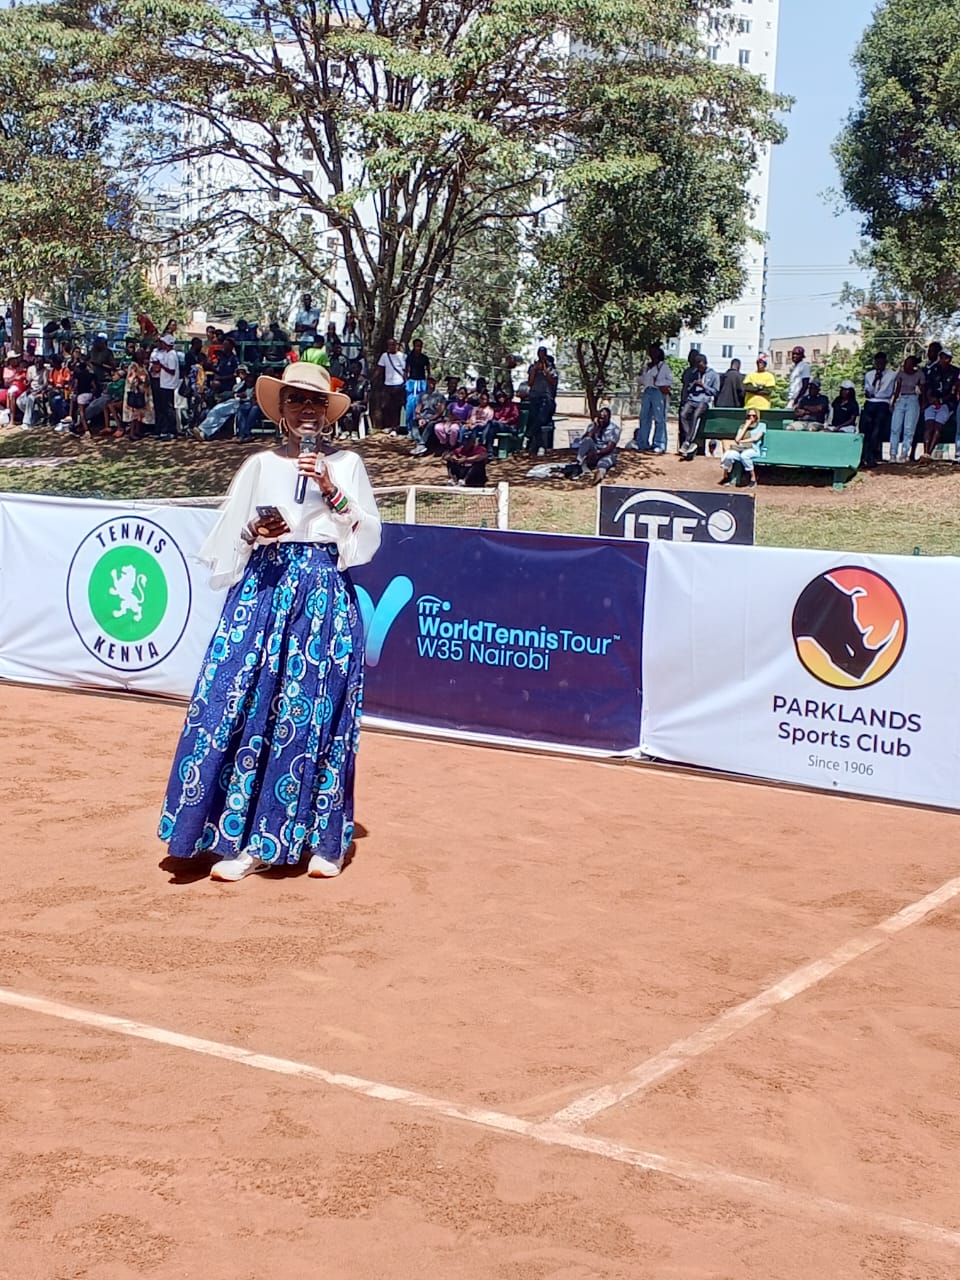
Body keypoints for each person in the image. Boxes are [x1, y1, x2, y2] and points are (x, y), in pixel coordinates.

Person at [158, 361, 381, 883]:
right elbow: (227, 541)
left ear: (328, 412)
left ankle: (324, 839)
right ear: (280, 410)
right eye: (296, 400)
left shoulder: (347, 463)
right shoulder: (258, 465)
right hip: (262, 590)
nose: (307, 410)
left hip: (321, 594)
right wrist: (256, 531)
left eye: (316, 402)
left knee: (311, 713)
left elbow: (366, 538)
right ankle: (243, 838)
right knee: (242, 705)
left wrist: (330, 487)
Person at [632, 344, 673, 452]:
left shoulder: (664, 367)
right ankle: (643, 443)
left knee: (659, 418)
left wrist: (658, 382)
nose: (652, 354)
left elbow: (670, 380)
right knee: (644, 417)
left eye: (655, 352)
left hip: (658, 392)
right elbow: (642, 381)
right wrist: (640, 376)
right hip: (647, 391)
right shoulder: (647, 367)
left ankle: (659, 444)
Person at [678, 355, 719, 458]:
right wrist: (693, 385)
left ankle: (687, 441)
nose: (699, 369)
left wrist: (703, 386)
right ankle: (690, 438)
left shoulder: (713, 374)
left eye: (701, 366)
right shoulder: (694, 373)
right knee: (683, 414)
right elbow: (688, 388)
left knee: (695, 415)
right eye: (698, 367)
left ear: (705, 363)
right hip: (692, 399)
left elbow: (715, 391)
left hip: (704, 400)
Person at [860, 351, 896, 468]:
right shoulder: (869, 375)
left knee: (877, 428)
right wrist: (875, 380)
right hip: (871, 401)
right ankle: (863, 455)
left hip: (883, 402)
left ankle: (872, 455)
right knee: (866, 428)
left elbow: (893, 391)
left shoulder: (892, 375)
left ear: (885, 362)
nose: (879, 365)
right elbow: (868, 392)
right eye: (877, 363)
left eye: (882, 363)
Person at [923, 347, 958, 460]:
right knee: (929, 425)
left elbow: (953, 391)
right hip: (932, 402)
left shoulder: (955, 371)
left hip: (946, 404)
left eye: (946, 357)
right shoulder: (933, 370)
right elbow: (928, 386)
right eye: (942, 357)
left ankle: (929, 453)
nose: (944, 360)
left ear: (950, 359)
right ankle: (925, 453)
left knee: (938, 426)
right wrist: (930, 398)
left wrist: (942, 400)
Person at [889, 355, 924, 462]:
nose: (905, 365)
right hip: (901, 398)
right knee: (895, 427)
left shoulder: (919, 374)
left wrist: (921, 404)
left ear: (913, 365)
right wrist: (893, 402)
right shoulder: (901, 374)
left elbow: (922, 390)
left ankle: (904, 454)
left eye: (908, 363)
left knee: (909, 429)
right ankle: (893, 454)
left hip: (913, 399)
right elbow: (897, 389)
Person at [719, 408, 765, 488]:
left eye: (753, 416)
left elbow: (755, 438)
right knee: (728, 455)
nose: (751, 417)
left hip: (753, 448)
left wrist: (743, 441)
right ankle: (726, 476)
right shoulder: (742, 426)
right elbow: (737, 439)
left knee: (744, 456)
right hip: (740, 448)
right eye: (749, 416)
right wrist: (746, 426)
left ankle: (753, 478)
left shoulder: (761, 425)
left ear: (757, 416)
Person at [150, 330, 182, 440]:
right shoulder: (168, 354)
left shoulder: (171, 355)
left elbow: (172, 371)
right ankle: (165, 430)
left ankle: (172, 431)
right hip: (164, 383)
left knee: (168, 409)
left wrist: (161, 366)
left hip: (169, 384)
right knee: (164, 408)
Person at [525, 347, 558, 454]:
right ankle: (538, 445)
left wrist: (545, 370)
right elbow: (530, 382)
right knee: (534, 419)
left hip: (546, 398)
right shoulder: (533, 367)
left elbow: (553, 381)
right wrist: (535, 370)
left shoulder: (551, 368)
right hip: (534, 397)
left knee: (541, 418)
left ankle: (529, 435)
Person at [576, 406, 620, 483]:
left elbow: (610, 448)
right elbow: (584, 440)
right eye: (599, 418)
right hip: (594, 451)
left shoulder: (615, 429)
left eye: (603, 418)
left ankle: (598, 477)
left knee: (603, 463)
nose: (601, 420)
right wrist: (595, 427)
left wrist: (596, 453)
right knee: (587, 440)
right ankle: (578, 463)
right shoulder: (593, 425)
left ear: (609, 418)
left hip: (607, 454)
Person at [376, 337, 407, 434]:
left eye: (393, 344)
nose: (391, 347)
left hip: (399, 385)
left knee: (397, 407)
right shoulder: (384, 356)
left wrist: (406, 382)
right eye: (389, 345)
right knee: (386, 406)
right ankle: (388, 426)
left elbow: (406, 371)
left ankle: (395, 428)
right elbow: (380, 369)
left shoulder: (402, 356)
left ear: (396, 345)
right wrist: (372, 379)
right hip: (387, 385)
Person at [410, 376, 446, 455]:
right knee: (413, 422)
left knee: (430, 424)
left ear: (435, 383)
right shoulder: (422, 395)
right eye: (429, 381)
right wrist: (420, 418)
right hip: (423, 416)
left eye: (432, 381)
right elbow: (418, 409)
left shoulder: (440, 396)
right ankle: (420, 443)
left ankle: (421, 444)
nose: (430, 383)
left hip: (434, 418)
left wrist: (428, 420)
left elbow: (440, 412)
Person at [123, 349, 154, 440]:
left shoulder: (142, 366)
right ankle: (132, 433)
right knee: (134, 412)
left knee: (140, 412)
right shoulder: (133, 366)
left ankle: (138, 431)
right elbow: (131, 379)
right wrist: (141, 380)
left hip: (143, 392)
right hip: (135, 392)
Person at [404, 338, 431, 425]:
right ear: (414, 346)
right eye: (417, 346)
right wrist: (406, 381)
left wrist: (428, 381)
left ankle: (420, 423)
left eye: (420, 346)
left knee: (421, 402)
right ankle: (409, 425)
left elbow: (428, 370)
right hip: (412, 381)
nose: (418, 348)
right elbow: (406, 370)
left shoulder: (424, 358)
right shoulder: (410, 357)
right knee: (410, 403)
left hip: (421, 381)